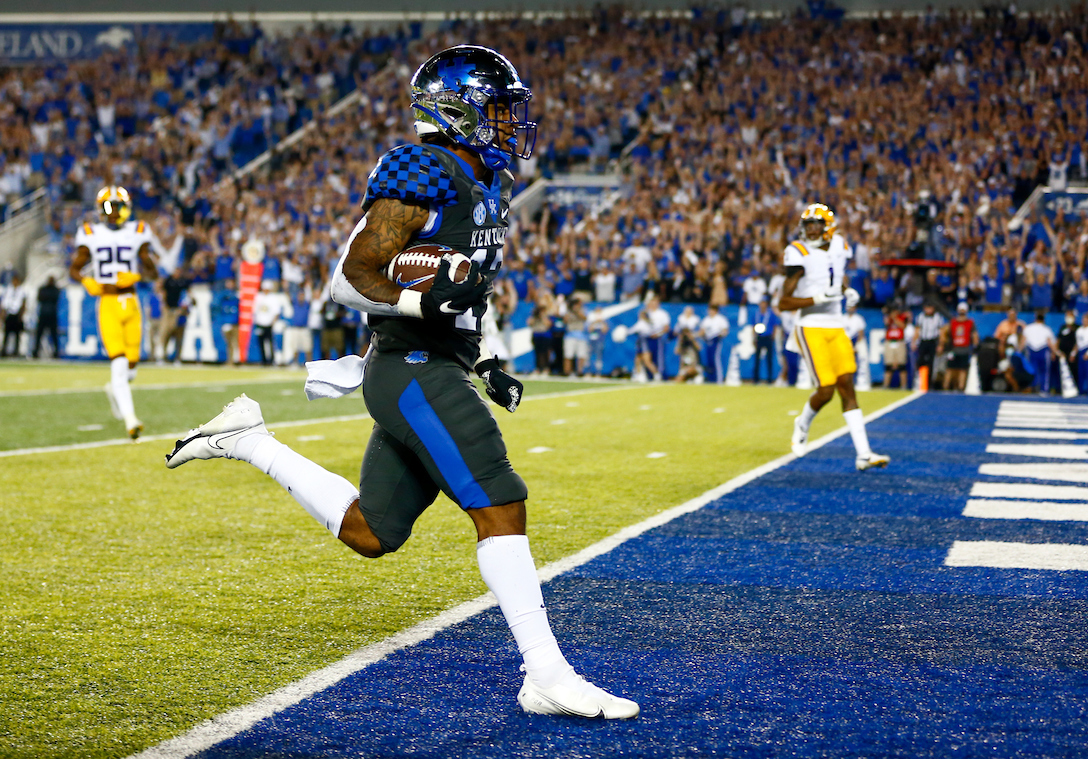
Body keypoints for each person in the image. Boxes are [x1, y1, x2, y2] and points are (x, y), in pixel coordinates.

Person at [164, 46, 637, 719]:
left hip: (436, 364)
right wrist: (418, 302)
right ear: (457, 110)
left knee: (372, 530)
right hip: (408, 366)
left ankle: (248, 440)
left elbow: (466, 294)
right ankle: (546, 674)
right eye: (499, 109)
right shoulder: (424, 168)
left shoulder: (485, 181)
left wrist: (484, 360)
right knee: (499, 498)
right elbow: (347, 278)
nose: (512, 122)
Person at [780, 203, 888, 470]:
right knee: (826, 390)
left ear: (828, 227)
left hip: (836, 325)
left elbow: (835, 277)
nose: (811, 230)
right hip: (810, 325)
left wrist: (845, 290)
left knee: (847, 386)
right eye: (808, 225)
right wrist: (818, 298)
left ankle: (864, 454)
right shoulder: (799, 252)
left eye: (816, 225)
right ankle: (802, 424)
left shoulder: (840, 245)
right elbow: (784, 302)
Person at [69, 186, 159, 439]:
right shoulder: (90, 233)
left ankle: (115, 390)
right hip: (108, 303)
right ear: (100, 209)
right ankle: (131, 421)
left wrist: (137, 276)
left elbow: (153, 272)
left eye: (117, 206)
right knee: (118, 363)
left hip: (131, 303)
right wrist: (86, 281)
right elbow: (74, 269)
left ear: (126, 208)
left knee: (131, 367)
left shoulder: (137, 231)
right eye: (108, 206)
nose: (113, 212)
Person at [942, 302, 978, 392]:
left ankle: (960, 387)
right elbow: (944, 332)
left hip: (964, 348)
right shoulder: (953, 322)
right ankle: (947, 386)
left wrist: (975, 344)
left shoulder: (969, 322)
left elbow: (974, 335)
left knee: (961, 369)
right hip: (954, 349)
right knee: (951, 369)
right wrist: (944, 343)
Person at [1022, 311, 1058, 395]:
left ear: (1035, 319)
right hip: (1042, 351)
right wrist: (1054, 352)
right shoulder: (1046, 329)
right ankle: (1044, 389)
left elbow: (1023, 341)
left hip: (1032, 351)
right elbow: (1050, 342)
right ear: (1043, 320)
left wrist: (1018, 351)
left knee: (1032, 370)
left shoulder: (1028, 328)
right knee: (1044, 371)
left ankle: (1032, 388)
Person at [750, 298, 781, 384]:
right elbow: (753, 326)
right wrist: (754, 337)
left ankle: (770, 379)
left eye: (764, 303)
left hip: (768, 337)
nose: (762, 305)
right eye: (761, 303)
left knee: (769, 359)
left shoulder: (770, 314)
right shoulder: (756, 314)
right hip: (759, 337)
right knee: (757, 359)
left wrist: (773, 336)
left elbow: (775, 325)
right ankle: (755, 379)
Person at [699, 303, 729, 383]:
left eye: (711, 310)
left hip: (716, 341)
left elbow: (725, 330)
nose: (710, 312)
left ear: (715, 311)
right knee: (709, 360)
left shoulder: (720, 319)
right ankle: (710, 379)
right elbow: (702, 331)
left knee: (716, 359)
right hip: (708, 340)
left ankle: (719, 379)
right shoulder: (706, 319)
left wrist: (719, 334)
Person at [32, 275, 60, 358]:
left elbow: (53, 298)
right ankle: (36, 351)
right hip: (44, 314)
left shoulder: (55, 290)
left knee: (53, 334)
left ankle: (56, 352)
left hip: (51, 315)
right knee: (39, 334)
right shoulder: (44, 289)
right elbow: (40, 298)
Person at [1, 273, 27, 357]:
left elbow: (23, 303)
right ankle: (4, 351)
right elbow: (4, 304)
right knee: (6, 334)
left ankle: (16, 351)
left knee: (17, 335)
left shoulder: (22, 291)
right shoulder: (8, 290)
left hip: (17, 314)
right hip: (9, 314)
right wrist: (2, 315)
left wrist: (21, 315)